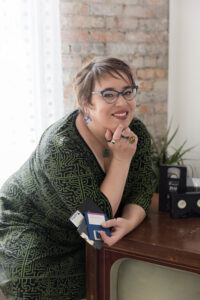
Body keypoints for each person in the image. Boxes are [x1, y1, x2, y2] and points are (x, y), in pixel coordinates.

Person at [0, 57, 153, 299]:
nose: (122, 102)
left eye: (127, 92)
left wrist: (129, 222)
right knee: (36, 281)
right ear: (87, 104)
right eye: (109, 94)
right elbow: (96, 226)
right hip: (34, 226)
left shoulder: (136, 134)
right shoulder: (60, 147)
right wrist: (121, 160)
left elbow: (144, 186)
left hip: (80, 236)